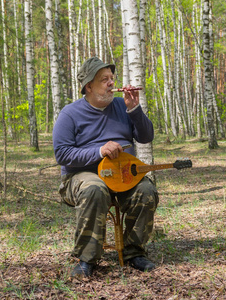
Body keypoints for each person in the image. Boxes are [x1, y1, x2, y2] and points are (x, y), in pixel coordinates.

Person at [53, 57, 159, 278]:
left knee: (146, 190)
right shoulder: (70, 114)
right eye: (104, 80)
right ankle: (86, 259)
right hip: (81, 177)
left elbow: (146, 137)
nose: (111, 83)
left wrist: (135, 110)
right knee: (95, 188)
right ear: (88, 86)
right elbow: (62, 154)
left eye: (112, 78)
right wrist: (99, 151)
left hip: (121, 176)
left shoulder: (122, 106)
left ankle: (134, 253)